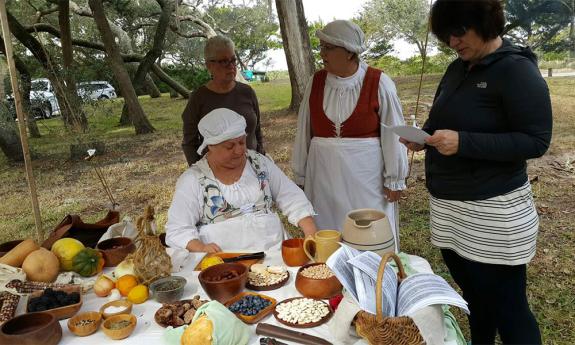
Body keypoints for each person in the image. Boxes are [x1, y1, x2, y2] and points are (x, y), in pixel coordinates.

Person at [400, 1, 552, 344]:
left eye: (459, 31)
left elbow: (536, 140)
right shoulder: (458, 68)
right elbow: (442, 119)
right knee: (475, 299)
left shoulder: (516, 70)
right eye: (446, 36)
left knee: (509, 308)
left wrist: (465, 143)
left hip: (492, 215)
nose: (453, 42)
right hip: (452, 212)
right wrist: (423, 138)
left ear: (485, 23)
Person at [291, 20, 408, 246]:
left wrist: (394, 178)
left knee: (368, 230)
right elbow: (304, 130)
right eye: (321, 46)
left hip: (366, 179)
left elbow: (393, 134)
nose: (321, 53)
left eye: (328, 47)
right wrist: (300, 174)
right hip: (323, 177)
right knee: (328, 231)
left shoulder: (379, 82)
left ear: (349, 53)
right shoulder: (316, 82)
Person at [166, 108, 317, 253]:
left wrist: (310, 233)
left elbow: (291, 197)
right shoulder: (194, 179)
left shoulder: (259, 163)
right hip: (225, 262)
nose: (239, 151)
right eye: (230, 146)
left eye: (242, 142)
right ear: (211, 146)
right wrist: (201, 248)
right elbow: (178, 229)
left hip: (274, 252)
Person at [181, 35, 265, 166]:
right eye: (224, 61)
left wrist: (262, 158)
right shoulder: (198, 98)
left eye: (233, 60)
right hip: (218, 174)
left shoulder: (247, 92)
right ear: (209, 65)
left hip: (253, 167)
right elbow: (189, 143)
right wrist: (200, 173)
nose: (231, 66)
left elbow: (257, 130)